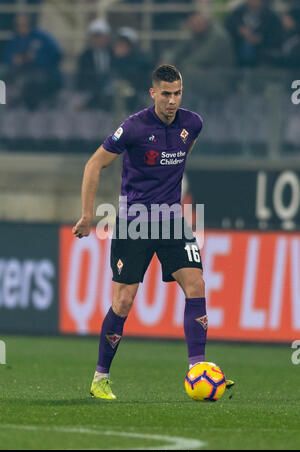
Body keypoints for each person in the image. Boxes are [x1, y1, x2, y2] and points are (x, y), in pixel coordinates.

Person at [72, 64, 234, 400]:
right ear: (153, 93)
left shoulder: (193, 123)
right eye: (165, 94)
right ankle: (100, 376)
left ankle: (198, 369)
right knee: (123, 300)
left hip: (172, 220)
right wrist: (88, 215)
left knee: (196, 284)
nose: (172, 100)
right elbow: (94, 164)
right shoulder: (133, 127)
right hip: (135, 223)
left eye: (177, 94)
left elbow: (178, 161)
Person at [4, 13, 62, 110]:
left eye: (24, 25)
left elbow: (56, 56)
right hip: (19, 73)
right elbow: (7, 57)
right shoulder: (15, 39)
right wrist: (14, 60)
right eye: (18, 25)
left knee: (28, 84)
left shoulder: (43, 38)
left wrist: (36, 58)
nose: (21, 28)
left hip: (41, 73)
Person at [225, 0, 282, 67]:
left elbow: (276, 36)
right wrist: (239, 29)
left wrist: (260, 39)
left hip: (262, 56)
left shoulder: (271, 17)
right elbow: (229, 24)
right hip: (238, 53)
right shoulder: (239, 12)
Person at [77, 18, 113, 110]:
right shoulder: (85, 56)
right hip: (91, 89)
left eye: (101, 36)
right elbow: (83, 75)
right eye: (95, 37)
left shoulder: (113, 53)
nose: (98, 40)